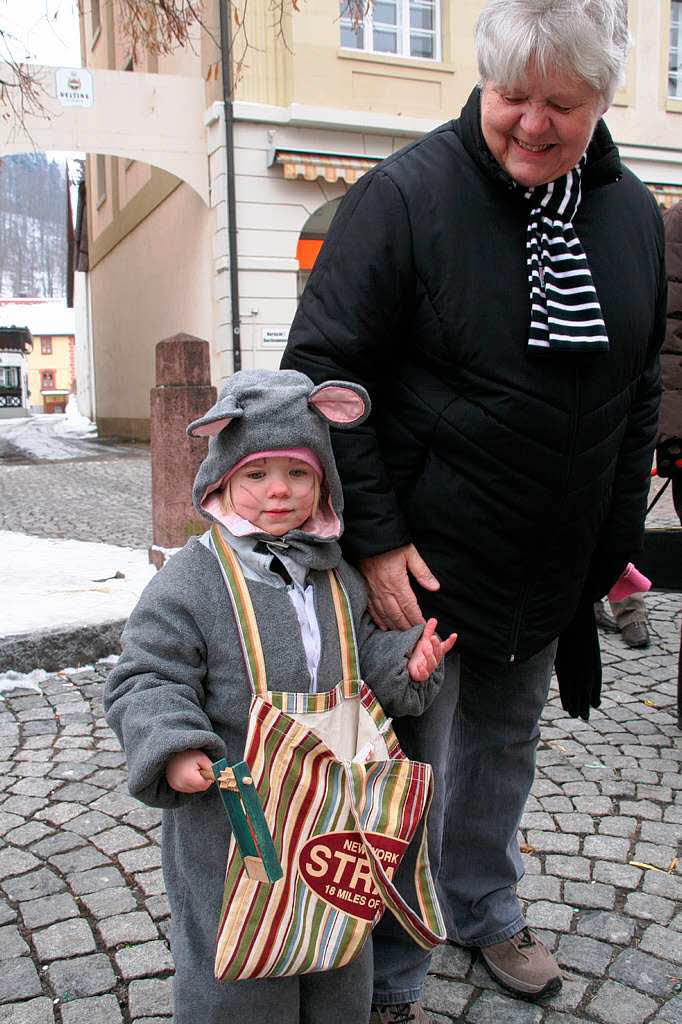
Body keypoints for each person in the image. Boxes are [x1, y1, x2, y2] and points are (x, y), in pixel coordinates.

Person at [281, 1, 666, 1020]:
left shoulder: (629, 215)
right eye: (512, 97)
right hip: (422, 564)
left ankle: (485, 908)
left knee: (501, 752)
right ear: (481, 86)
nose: (533, 123)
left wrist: (610, 537)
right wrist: (374, 539)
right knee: (400, 773)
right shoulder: (402, 198)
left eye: (562, 103)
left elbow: (632, 392)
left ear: (601, 101)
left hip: (545, 562)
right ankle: (390, 977)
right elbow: (321, 377)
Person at [103, 369, 456, 1024]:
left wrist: (405, 662)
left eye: (297, 475)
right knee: (241, 967)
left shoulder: (337, 574)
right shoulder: (194, 579)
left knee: (336, 944)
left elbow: (357, 662)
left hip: (332, 809)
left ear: (322, 481)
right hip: (236, 816)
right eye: (257, 475)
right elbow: (147, 675)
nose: (278, 493)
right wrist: (177, 746)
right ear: (222, 481)